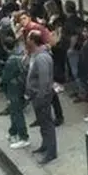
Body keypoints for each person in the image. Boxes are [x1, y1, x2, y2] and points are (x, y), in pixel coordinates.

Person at [25, 30, 57, 165]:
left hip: (41, 97)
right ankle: (45, 145)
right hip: (37, 96)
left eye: (28, 38)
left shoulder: (42, 58)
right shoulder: (36, 55)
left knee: (47, 124)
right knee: (43, 124)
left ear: (33, 41)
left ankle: (51, 152)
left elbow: (44, 81)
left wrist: (40, 97)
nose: (26, 40)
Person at [1, 35, 30, 149]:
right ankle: (13, 132)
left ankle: (24, 137)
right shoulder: (20, 55)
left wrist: (5, 91)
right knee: (14, 111)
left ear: (5, 47)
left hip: (13, 89)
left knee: (17, 112)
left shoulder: (10, 61)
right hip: (21, 87)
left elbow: (5, 79)